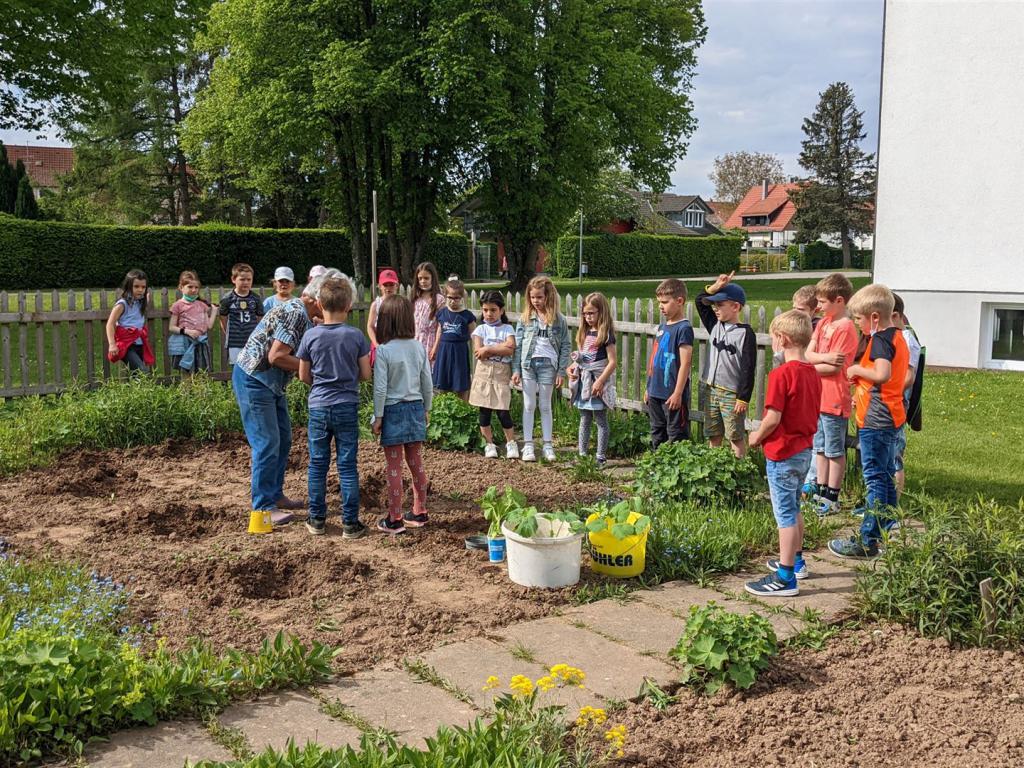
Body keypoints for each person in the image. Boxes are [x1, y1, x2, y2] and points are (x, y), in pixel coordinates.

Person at [234, 270, 338, 529]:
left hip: (270, 383)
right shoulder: (295, 313)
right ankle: (262, 508)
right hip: (254, 379)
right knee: (267, 442)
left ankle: (275, 494)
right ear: (317, 300)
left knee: (283, 437)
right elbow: (276, 356)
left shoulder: (302, 313)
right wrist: (313, 371)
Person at [829, 283, 910, 559]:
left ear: (874, 317)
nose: (858, 325)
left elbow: (883, 373)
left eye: (859, 319)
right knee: (886, 477)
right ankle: (885, 527)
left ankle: (866, 540)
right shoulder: (898, 336)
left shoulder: (880, 340)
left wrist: (856, 369)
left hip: (876, 419)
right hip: (891, 415)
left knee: (875, 479)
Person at [745, 310, 822, 596]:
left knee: (785, 514)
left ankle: (785, 576)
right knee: (795, 506)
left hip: (782, 453)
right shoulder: (813, 373)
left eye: (774, 337)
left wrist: (756, 436)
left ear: (783, 339)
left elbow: (773, 418)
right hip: (804, 451)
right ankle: (797, 560)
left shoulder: (781, 375)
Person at [297, 276, 371, 538]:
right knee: (347, 465)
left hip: (319, 405)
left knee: (318, 464)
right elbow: (365, 374)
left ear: (319, 303)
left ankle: (317, 519)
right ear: (349, 305)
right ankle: (350, 523)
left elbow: (303, 376)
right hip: (346, 405)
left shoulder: (310, 336)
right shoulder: (355, 336)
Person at [372, 295, 433, 535]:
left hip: (393, 410)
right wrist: (426, 408)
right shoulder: (418, 346)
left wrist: (378, 417)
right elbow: (427, 381)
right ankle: (420, 511)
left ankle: (395, 518)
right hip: (416, 406)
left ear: (385, 322)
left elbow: (380, 388)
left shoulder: (384, 351)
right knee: (416, 462)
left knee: (394, 466)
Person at [804, 273, 859, 515]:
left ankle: (832, 497)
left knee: (835, 449)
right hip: (818, 396)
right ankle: (819, 490)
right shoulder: (824, 323)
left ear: (839, 301)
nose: (819, 307)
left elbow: (833, 368)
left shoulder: (845, 327)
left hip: (835, 398)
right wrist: (823, 358)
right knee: (820, 447)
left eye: (823, 302)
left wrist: (814, 365)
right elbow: (809, 353)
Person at [696, 272, 757, 458]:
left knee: (735, 436)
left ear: (736, 306)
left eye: (720, 304)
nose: (715, 309)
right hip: (711, 389)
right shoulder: (714, 325)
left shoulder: (746, 334)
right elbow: (700, 301)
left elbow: (748, 368)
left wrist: (743, 397)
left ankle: (739, 470)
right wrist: (715, 286)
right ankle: (714, 468)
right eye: (714, 305)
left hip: (731, 393)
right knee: (713, 433)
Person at [512, 275, 571, 463]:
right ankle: (528, 444)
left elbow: (566, 345)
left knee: (545, 405)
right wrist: (516, 370)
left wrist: (561, 371)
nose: (536, 301)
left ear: (548, 297)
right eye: (532, 297)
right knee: (529, 405)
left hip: (548, 366)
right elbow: (519, 345)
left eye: (539, 297)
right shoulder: (525, 319)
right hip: (528, 365)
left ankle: (547, 444)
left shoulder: (558, 320)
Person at [644, 278, 694, 449]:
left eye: (665, 302)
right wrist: (648, 388)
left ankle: (677, 471)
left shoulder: (684, 328)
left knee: (676, 434)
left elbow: (686, 363)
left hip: (672, 394)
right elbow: (654, 358)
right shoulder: (662, 327)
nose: (660, 306)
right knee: (657, 431)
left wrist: (678, 393)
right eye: (659, 302)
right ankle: (658, 468)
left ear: (679, 301)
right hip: (655, 392)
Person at [470, 290, 519, 459]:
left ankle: (510, 442)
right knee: (484, 410)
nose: (489, 314)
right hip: (483, 374)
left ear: (501, 311)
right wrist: (498, 348)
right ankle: (489, 444)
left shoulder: (507, 329)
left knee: (503, 409)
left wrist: (489, 348)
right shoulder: (480, 329)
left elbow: (510, 348)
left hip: (500, 374)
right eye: (485, 310)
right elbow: (478, 352)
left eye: (493, 310)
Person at [571, 292, 617, 465]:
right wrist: (573, 367)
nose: (588, 317)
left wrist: (600, 381)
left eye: (591, 313)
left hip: (597, 382)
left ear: (601, 312)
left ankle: (600, 457)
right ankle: (582, 455)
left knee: (600, 420)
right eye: (585, 313)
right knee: (584, 419)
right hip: (584, 381)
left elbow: (612, 362)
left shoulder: (606, 335)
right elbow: (583, 357)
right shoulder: (584, 332)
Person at [890, 293, 923, 499]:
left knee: (894, 454)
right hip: (886, 402)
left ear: (894, 316)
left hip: (897, 404)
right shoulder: (892, 337)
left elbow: (908, 377)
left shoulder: (907, 340)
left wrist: (887, 392)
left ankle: (893, 501)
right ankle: (880, 500)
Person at [431, 277, 476, 399]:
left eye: (456, 297)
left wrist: (477, 349)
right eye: (450, 297)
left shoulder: (467, 315)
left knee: (460, 383)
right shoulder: (442, 313)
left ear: (462, 297)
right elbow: (439, 331)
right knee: (443, 385)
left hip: (459, 351)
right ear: (445, 296)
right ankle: (444, 408)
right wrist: (435, 348)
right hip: (444, 350)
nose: (453, 301)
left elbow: (475, 335)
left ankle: (463, 408)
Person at [168, 270, 217, 375]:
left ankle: (201, 391)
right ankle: (185, 391)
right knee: (186, 373)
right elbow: (171, 327)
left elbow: (209, 325)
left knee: (202, 373)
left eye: (196, 287)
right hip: (186, 344)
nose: (194, 290)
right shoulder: (177, 305)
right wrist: (187, 331)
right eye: (190, 287)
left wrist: (214, 312)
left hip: (201, 343)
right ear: (181, 288)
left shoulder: (202, 305)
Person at [106, 269, 154, 374]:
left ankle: (135, 391)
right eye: (136, 286)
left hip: (140, 343)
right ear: (128, 286)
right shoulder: (122, 304)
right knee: (142, 373)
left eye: (143, 287)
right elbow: (110, 323)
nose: (140, 290)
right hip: (127, 344)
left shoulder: (140, 302)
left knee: (136, 376)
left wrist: (146, 299)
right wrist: (112, 344)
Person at [219, 263, 264, 365]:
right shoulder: (227, 299)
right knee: (237, 367)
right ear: (234, 279)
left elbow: (260, 319)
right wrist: (228, 333)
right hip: (235, 341)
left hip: (252, 340)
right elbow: (223, 318)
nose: (246, 282)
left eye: (249, 279)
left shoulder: (256, 299)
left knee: (252, 366)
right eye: (242, 279)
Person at [366, 268, 401, 359]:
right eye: (385, 285)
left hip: (397, 342)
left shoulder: (401, 303)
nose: (388, 288)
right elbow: (370, 326)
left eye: (391, 285)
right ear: (380, 286)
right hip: (380, 341)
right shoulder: (376, 304)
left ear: (397, 285)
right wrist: (376, 344)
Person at [412, 261, 445, 356]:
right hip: (415, 341)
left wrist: (435, 346)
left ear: (433, 279)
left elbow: (440, 326)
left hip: (430, 342)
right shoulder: (415, 298)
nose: (423, 281)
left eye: (426, 278)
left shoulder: (439, 299)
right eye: (420, 278)